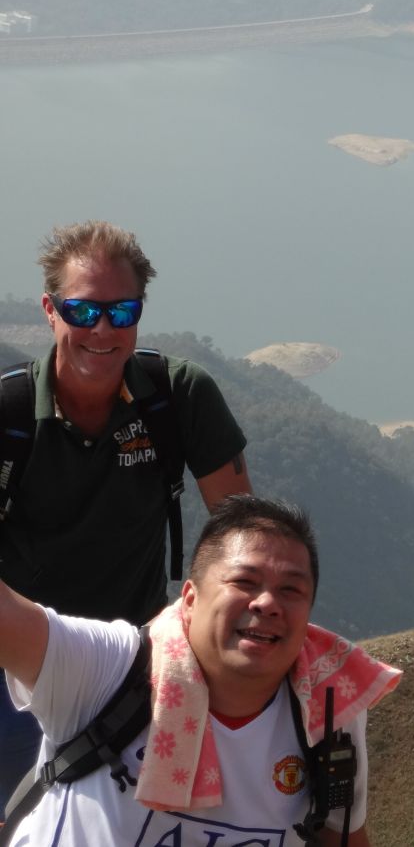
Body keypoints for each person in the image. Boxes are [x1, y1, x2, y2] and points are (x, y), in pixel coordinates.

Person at [0, 220, 252, 815]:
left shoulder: (177, 397)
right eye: (83, 311)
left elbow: (243, 540)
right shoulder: (8, 414)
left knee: (135, 823)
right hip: (17, 666)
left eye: (122, 311)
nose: (104, 329)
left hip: (134, 662)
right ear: (50, 310)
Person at [0, 494, 400, 845]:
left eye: (291, 590)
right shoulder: (111, 669)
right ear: (190, 599)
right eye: (245, 581)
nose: (267, 603)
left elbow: (340, 837)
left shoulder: (327, 709)